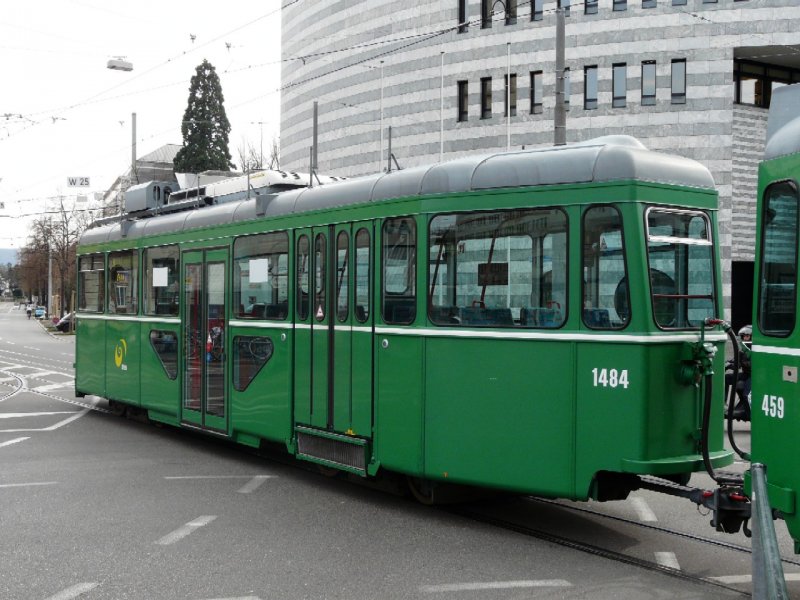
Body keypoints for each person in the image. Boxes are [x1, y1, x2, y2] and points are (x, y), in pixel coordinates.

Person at [727, 325, 752, 421]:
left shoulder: (754, 350)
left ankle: (749, 415)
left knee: (746, 395)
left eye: (747, 336)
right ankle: (724, 404)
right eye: (744, 336)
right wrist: (728, 364)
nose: (745, 338)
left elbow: (751, 364)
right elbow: (737, 364)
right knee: (726, 378)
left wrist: (742, 362)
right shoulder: (742, 350)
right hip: (745, 374)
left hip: (753, 376)